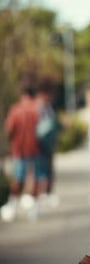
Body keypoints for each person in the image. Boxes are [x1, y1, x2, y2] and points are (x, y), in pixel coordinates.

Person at [1, 86, 41, 222]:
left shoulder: (16, 110)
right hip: (35, 149)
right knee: (34, 178)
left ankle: (12, 205)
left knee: (18, 178)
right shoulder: (37, 110)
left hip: (19, 150)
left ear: (23, 96)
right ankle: (34, 208)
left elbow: (9, 128)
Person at [35, 85, 61, 208]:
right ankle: (41, 193)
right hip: (39, 144)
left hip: (49, 143)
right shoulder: (36, 108)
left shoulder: (49, 108)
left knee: (49, 169)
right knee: (40, 169)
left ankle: (48, 193)